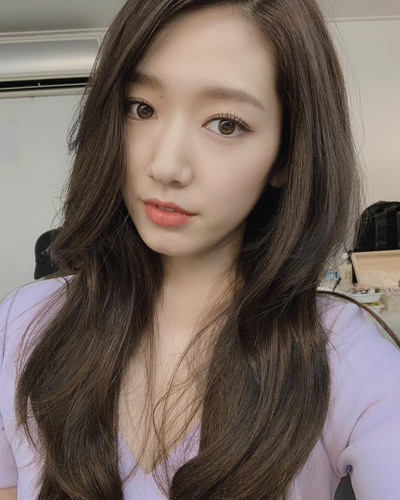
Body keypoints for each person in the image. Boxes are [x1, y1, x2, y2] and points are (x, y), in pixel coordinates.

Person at [1, 0, 400, 499]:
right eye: (141, 108)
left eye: (226, 124)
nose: (166, 166)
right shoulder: (24, 323)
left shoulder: (343, 355)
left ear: (286, 156)